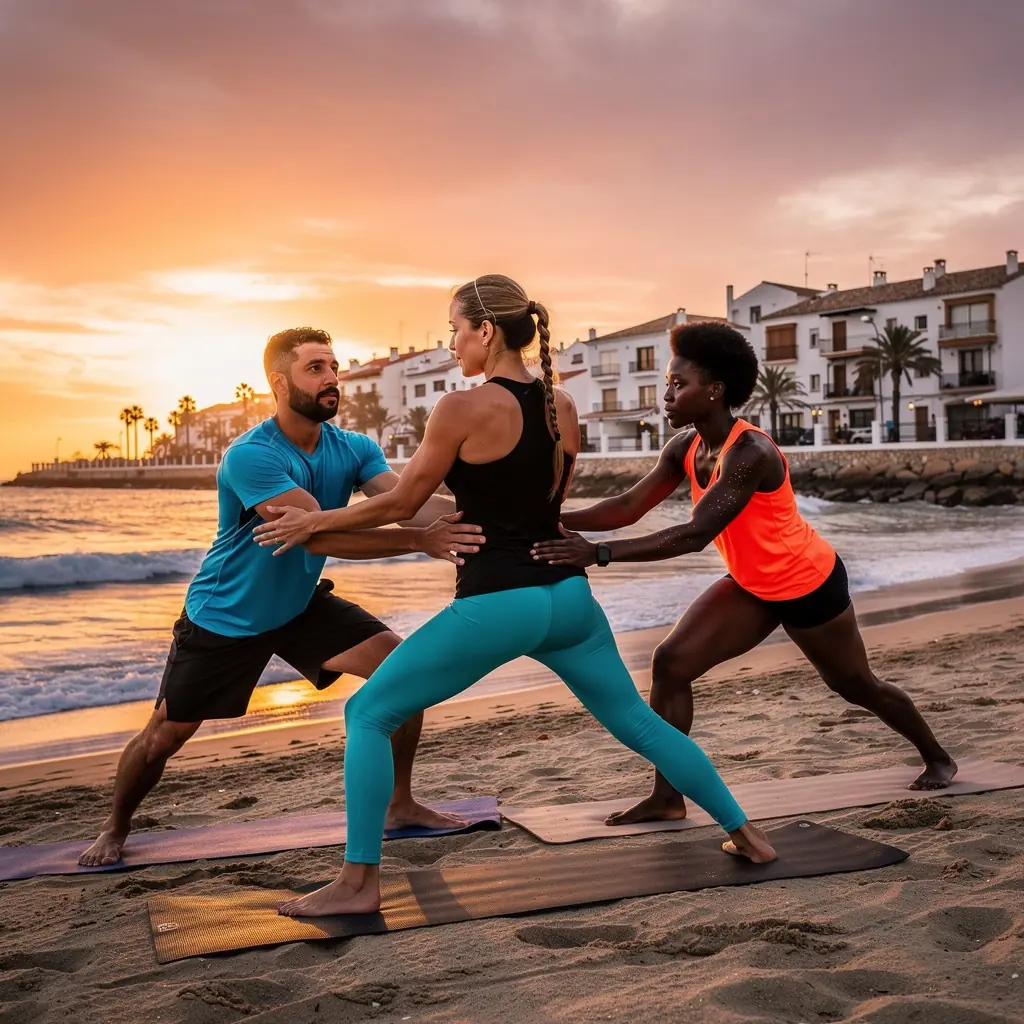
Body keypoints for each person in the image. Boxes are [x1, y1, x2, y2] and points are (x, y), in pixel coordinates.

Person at [253, 276, 776, 917]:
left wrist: (314, 523)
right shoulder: (562, 403)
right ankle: (747, 835)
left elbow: (403, 503)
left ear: (486, 331)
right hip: (570, 603)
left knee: (367, 715)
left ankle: (359, 884)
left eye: (455, 328)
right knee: (638, 723)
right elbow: (540, 504)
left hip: (500, 605)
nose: (451, 343)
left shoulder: (461, 408)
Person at [78, 327, 485, 867]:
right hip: (226, 615)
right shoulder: (251, 456)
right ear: (279, 381)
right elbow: (318, 535)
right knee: (162, 737)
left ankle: (400, 805)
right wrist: (417, 541)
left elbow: (408, 501)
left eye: (334, 367)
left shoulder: (354, 448)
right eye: (315, 368)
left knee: (403, 678)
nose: (332, 379)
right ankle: (115, 826)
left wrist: (483, 518)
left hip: (298, 605)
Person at [531, 321, 957, 827]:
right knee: (670, 663)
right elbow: (627, 506)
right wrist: (551, 521)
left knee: (857, 686)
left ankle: (937, 756)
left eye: (677, 385)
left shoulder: (750, 452)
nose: (666, 395)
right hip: (751, 586)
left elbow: (693, 534)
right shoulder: (684, 447)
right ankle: (667, 796)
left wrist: (598, 555)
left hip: (807, 585)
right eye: (668, 383)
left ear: (714, 391)